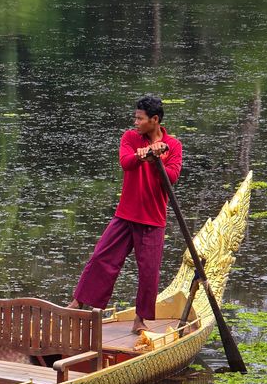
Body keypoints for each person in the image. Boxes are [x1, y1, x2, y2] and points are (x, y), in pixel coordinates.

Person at [68, 95, 183, 334]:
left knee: (149, 272)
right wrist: (145, 154)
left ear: (154, 120)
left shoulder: (173, 145)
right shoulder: (130, 137)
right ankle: (78, 304)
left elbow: (171, 178)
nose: (136, 122)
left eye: (140, 119)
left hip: (153, 220)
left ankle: (140, 320)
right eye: (135, 117)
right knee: (101, 258)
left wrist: (156, 160)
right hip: (125, 215)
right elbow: (126, 162)